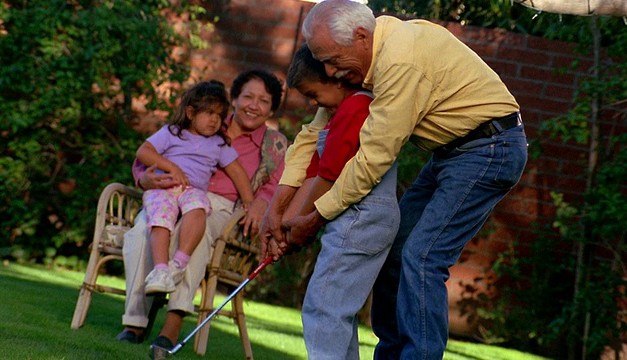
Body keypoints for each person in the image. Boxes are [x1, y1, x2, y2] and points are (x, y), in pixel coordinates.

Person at [263, 1, 529, 359]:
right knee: (396, 254)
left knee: (422, 257)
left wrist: (315, 218)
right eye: (322, 61)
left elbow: (372, 160)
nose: (329, 71)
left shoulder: (400, 62)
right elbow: (311, 135)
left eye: (332, 60)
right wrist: (274, 210)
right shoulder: (364, 58)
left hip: (489, 149)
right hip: (450, 153)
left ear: (360, 36)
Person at [115, 69, 287, 358]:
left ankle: (170, 327)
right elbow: (150, 157)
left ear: (272, 108)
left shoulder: (275, 145)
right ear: (234, 99)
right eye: (248, 97)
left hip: (223, 208)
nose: (254, 106)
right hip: (171, 192)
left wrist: (258, 202)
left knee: (197, 231)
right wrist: (144, 179)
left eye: (264, 101)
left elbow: (277, 185)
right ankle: (134, 323)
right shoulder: (202, 120)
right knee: (144, 227)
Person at [260, 43, 399, 360]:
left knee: (323, 306)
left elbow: (329, 176)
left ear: (336, 78)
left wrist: (302, 225)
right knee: (335, 309)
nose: (312, 103)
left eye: (313, 93)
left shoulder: (355, 109)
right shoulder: (341, 112)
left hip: (361, 217)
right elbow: (314, 170)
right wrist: (285, 226)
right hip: (361, 219)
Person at [135, 80, 254, 294]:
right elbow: (144, 151)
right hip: (165, 188)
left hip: (192, 191)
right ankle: (161, 270)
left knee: (199, 209)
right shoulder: (172, 132)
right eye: (209, 113)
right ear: (190, 112)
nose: (215, 120)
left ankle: (178, 264)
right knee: (160, 220)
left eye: (219, 115)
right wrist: (171, 166)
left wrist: (248, 201)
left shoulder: (218, 143)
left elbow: (237, 171)